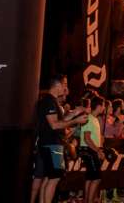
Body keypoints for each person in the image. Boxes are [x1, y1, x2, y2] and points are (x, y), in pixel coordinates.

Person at [36, 75, 88, 203]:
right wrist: (76, 120)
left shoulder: (51, 101)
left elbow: (60, 121)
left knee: (50, 177)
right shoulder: (48, 101)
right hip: (52, 143)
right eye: (64, 84)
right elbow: (54, 125)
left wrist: (74, 114)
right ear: (57, 85)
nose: (66, 87)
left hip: (51, 143)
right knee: (54, 178)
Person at [79, 95, 106, 203]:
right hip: (89, 150)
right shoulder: (89, 118)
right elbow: (86, 138)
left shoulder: (94, 119)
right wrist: (98, 150)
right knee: (96, 177)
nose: (104, 108)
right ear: (99, 106)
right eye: (103, 105)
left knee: (90, 178)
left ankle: (88, 200)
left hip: (91, 150)